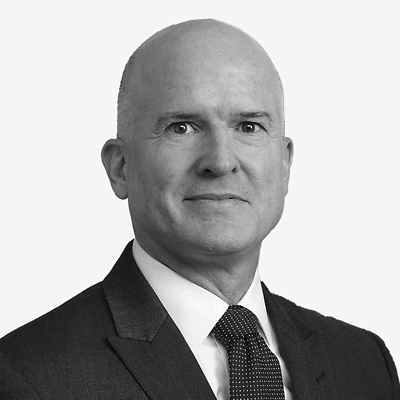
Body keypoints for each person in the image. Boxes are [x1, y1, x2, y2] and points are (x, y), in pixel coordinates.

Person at [0, 18, 398, 400]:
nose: (221, 161)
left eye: (249, 127)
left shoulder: (365, 363)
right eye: (182, 127)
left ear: (284, 165)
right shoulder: (25, 377)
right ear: (120, 167)